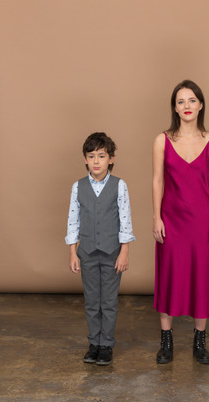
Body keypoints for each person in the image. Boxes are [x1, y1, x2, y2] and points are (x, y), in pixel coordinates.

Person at [152, 80, 209, 365]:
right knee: (169, 273)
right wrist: (156, 216)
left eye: (191, 100)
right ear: (175, 108)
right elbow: (157, 180)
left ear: (201, 104)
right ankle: (166, 341)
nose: (186, 106)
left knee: (201, 275)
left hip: (202, 220)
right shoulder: (162, 140)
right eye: (181, 102)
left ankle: (199, 341)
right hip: (171, 218)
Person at [65, 132, 135, 366]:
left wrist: (124, 251)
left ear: (111, 159)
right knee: (92, 301)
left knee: (109, 301)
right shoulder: (78, 187)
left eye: (101, 156)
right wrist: (73, 252)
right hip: (86, 253)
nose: (96, 161)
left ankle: (106, 344)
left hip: (112, 253)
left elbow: (125, 221)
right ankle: (93, 342)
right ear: (85, 159)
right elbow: (73, 220)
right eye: (91, 156)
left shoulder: (119, 186)